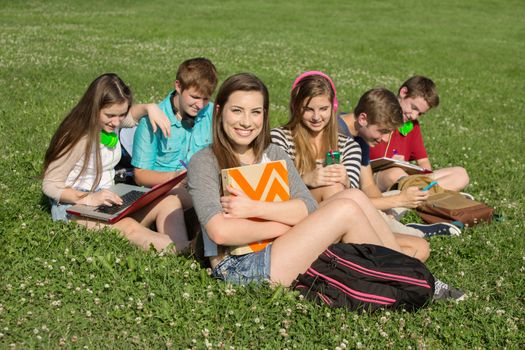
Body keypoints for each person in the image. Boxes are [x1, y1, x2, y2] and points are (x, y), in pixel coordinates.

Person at [187, 73, 429, 287]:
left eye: (255, 112)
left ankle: (403, 275)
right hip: (239, 266)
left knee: (353, 196)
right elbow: (220, 232)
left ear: (264, 115)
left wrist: (256, 209)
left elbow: (308, 207)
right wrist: (288, 223)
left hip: (282, 248)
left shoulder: (273, 154)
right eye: (237, 110)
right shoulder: (205, 161)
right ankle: (407, 278)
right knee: (345, 208)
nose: (247, 122)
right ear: (219, 111)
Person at [42, 73, 190, 252]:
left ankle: (181, 249)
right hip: (73, 207)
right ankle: (190, 251)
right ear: (93, 108)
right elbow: (50, 185)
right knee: (128, 227)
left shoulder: (109, 123)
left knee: (169, 201)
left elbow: (132, 116)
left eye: (121, 115)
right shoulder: (76, 137)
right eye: (111, 115)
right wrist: (89, 198)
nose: (117, 122)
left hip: (109, 198)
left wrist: (150, 108)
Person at [338, 88, 462, 237]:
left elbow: (369, 185)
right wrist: (396, 201)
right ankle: (415, 232)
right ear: (363, 119)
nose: (384, 139)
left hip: (356, 201)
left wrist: (389, 207)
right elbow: (340, 200)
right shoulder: (334, 133)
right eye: (383, 131)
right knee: (417, 246)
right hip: (339, 208)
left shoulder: (361, 140)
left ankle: (393, 220)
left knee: (398, 196)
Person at [270, 71, 361, 203]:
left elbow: (354, 196)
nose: (316, 117)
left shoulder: (349, 146)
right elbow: (275, 189)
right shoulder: (280, 137)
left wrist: (347, 181)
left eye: (323, 109)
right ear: (296, 108)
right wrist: (305, 179)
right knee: (333, 189)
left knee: (340, 189)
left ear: (333, 107)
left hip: (336, 209)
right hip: (295, 209)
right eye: (308, 109)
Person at [369, 76, 469, 192]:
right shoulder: (378, 113)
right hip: (376, 177)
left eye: (420, 113)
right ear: (403, 92)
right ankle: (427, 194)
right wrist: (391, 164)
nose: (414, 116)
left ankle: (423, 192)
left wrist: (427, 177)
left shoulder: (413, 126)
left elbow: (423, 161)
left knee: (461, 174)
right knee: (395, 173)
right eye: (414, 108)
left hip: (406, 179)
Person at [131, 57, 218, 187]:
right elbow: (140, 175)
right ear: (178, 86)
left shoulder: (212, 113)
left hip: (203, 187)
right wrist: (174, 177)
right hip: (166, 190)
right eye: (195, 97)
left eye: (206, 99)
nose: (200, 105)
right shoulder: (152, 119)